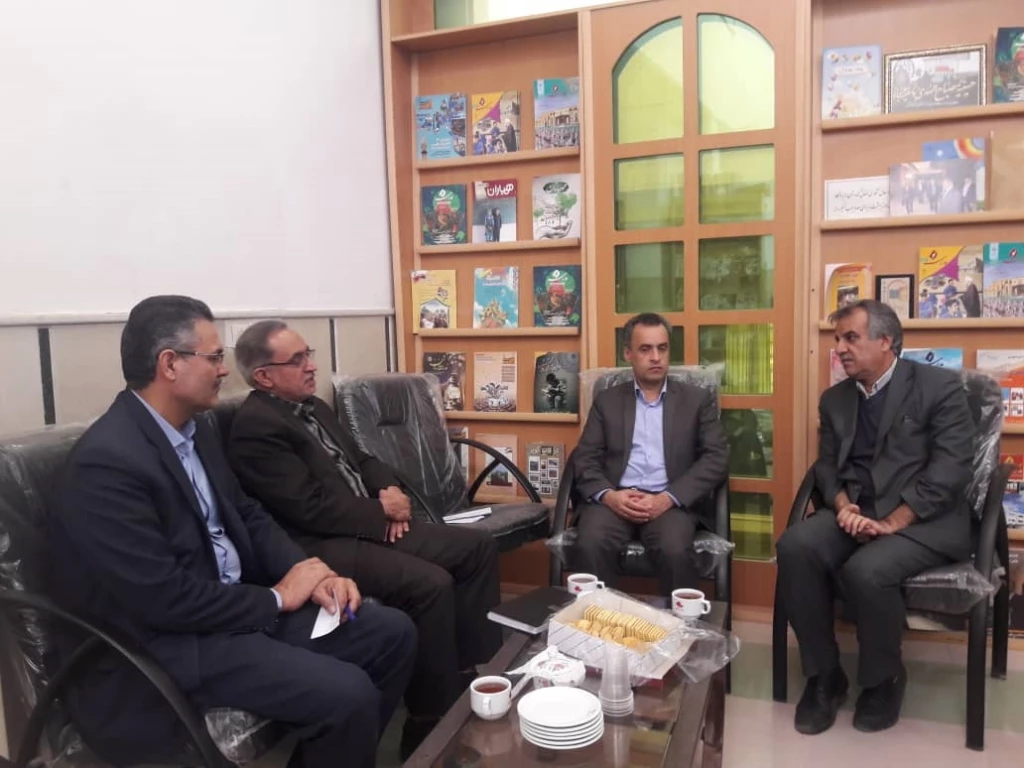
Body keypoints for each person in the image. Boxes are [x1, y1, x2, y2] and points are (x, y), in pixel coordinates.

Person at [48, 296, 416, 768]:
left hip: (230, 612)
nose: (225, 370)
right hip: (165, 643)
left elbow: (248, 513)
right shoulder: (106, 465)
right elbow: (163, 599)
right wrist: (278, 598)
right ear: (170, 364)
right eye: (215, 357)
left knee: (391, 633)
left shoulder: (196, 430)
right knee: (347, 694)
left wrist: (312, 574)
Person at [226, 320, 502, 759]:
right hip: (320, 545)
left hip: (368, 520)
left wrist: (388, 491)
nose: (311, 366)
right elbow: (309, 508)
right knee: (430, 584)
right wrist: (379, 514)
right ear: (264, 376)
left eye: (309, 354)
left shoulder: (313, 407)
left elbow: (363, 458)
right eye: (297, 360)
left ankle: (470, 674)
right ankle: (427, 721)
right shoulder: (256, 429)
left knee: (477, 547)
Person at [776, 300, 974, 737]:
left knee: (867, 570)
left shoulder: (939, 387)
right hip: (858, 512)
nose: (840, 348)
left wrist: (895, 521)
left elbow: (951, 469)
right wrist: (842, 504)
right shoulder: (835, 399)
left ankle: (883, 679)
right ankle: (825, 676)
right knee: (795, 546)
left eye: (851, 338)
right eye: (837, 339)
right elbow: (828, 467)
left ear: (886, 341)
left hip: (923, 519)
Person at [570, 312, 729, 594]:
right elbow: (585, 457)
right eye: (645, 349)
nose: (656, 357)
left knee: (673, 549)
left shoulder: (696, 400)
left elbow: (716, 457)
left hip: (670, 503)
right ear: (628, 354)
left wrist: (668, 498)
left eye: (662, 348)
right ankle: (601, 621)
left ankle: (680, 622)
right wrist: (609, 496)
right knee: (591, 542)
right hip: (614, 500)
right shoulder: (607, 400)